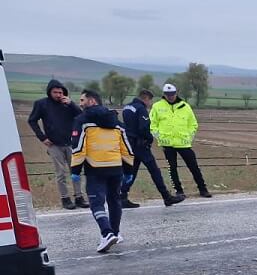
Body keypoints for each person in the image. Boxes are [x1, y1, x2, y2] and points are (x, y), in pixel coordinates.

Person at [70, 90, 134, 253]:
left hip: (95, 169)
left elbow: (78, 147)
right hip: (116, 168)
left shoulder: (81, 120)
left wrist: (75, 170)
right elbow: (126, 147)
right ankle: (116, 233)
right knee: (114, 200)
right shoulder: (116, 122)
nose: (80, 103)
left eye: (82, 100)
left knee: (96, 203)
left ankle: (106, 233)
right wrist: (129, 170)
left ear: (92, 101)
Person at [27, 79, 87, 209]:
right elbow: (32, 120)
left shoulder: (68, 104)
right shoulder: (41, 104)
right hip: (54, 145)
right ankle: (65, 199)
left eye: (60, 92)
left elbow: (82, 116)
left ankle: (79, 197)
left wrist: (71, 104)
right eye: (55, 92)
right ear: (50, 92)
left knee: (76, 172)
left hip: (71, 144)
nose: (58, 95)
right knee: (60, 173)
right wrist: (42, 137)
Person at [120, 89, 182, 208]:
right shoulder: (141, 108)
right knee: (154, 171)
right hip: (141, 145)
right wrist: (149, 139)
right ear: (146, 98)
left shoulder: (127, 107)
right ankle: (166, 197)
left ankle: (122, 196)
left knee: (131, 172)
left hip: (129, 144)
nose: (150, 103)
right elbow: (144, 127)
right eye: (150, 100)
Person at [149, 83, 210, 199]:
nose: (170, 96)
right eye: (168, 94)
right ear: (164, 94)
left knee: (194, 167)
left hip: (184, 143)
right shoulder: (157, 107)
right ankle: (178, 190)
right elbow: (152, 125)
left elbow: (193, 124)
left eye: (172, 94)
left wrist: (189, 137)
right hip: (167, 144)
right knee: (172, 168)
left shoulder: (185, 106)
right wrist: (160, 137)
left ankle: (203, 189)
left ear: (176, 93)